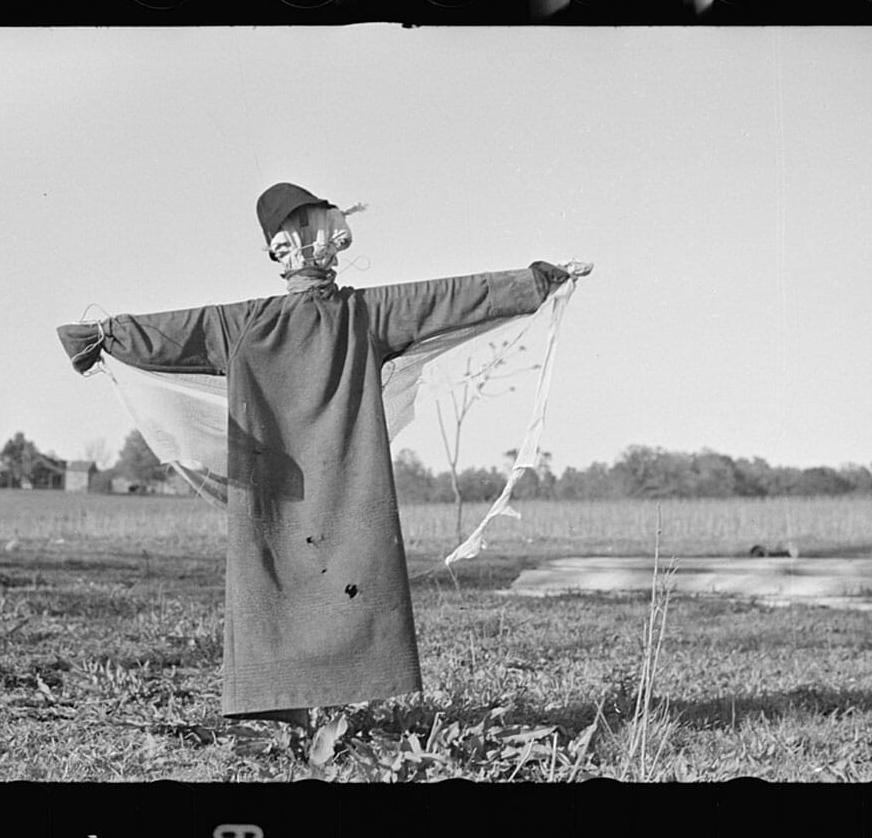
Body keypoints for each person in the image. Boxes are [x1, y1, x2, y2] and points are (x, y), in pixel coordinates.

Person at [57, 183, 590, 728]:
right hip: (339, 485)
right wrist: (535, 282)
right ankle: (313, 713)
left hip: (284, 494)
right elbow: (449, 297)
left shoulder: (250, 323)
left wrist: (102, 336)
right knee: (331, 582)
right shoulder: (357, 314)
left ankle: (307, 713)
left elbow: (164, 333)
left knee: (289, 586)